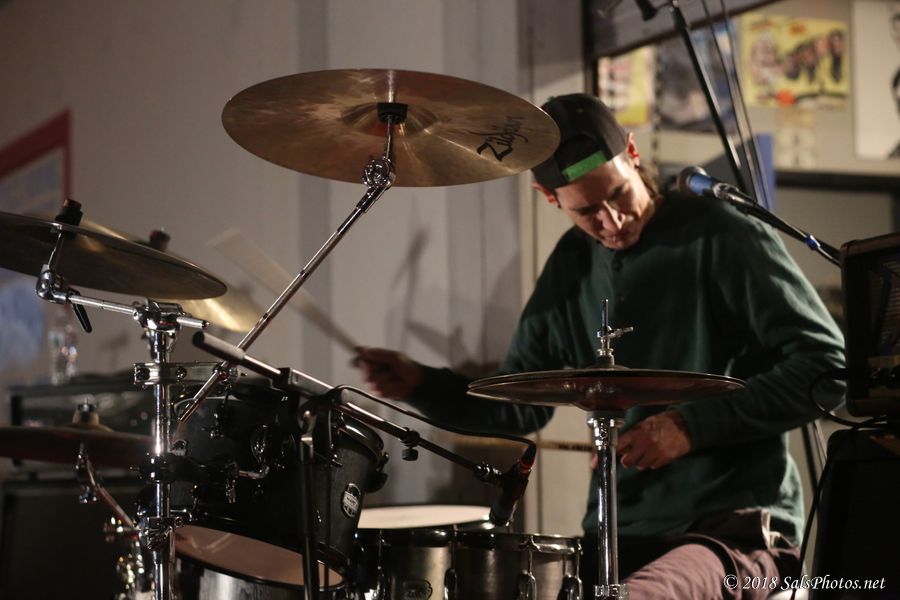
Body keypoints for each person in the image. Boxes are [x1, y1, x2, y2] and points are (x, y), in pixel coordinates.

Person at [357, 93, 845, 599]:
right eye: (587, 211)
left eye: (618, 194)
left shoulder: (722, 235)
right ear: (550, 198)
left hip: (730, 533)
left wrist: (689, 426)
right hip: (616, 532)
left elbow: (828, 367)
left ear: (632, 152)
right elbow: (518, 407)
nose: (612, 221)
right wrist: (421, 385)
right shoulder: (571, 266)